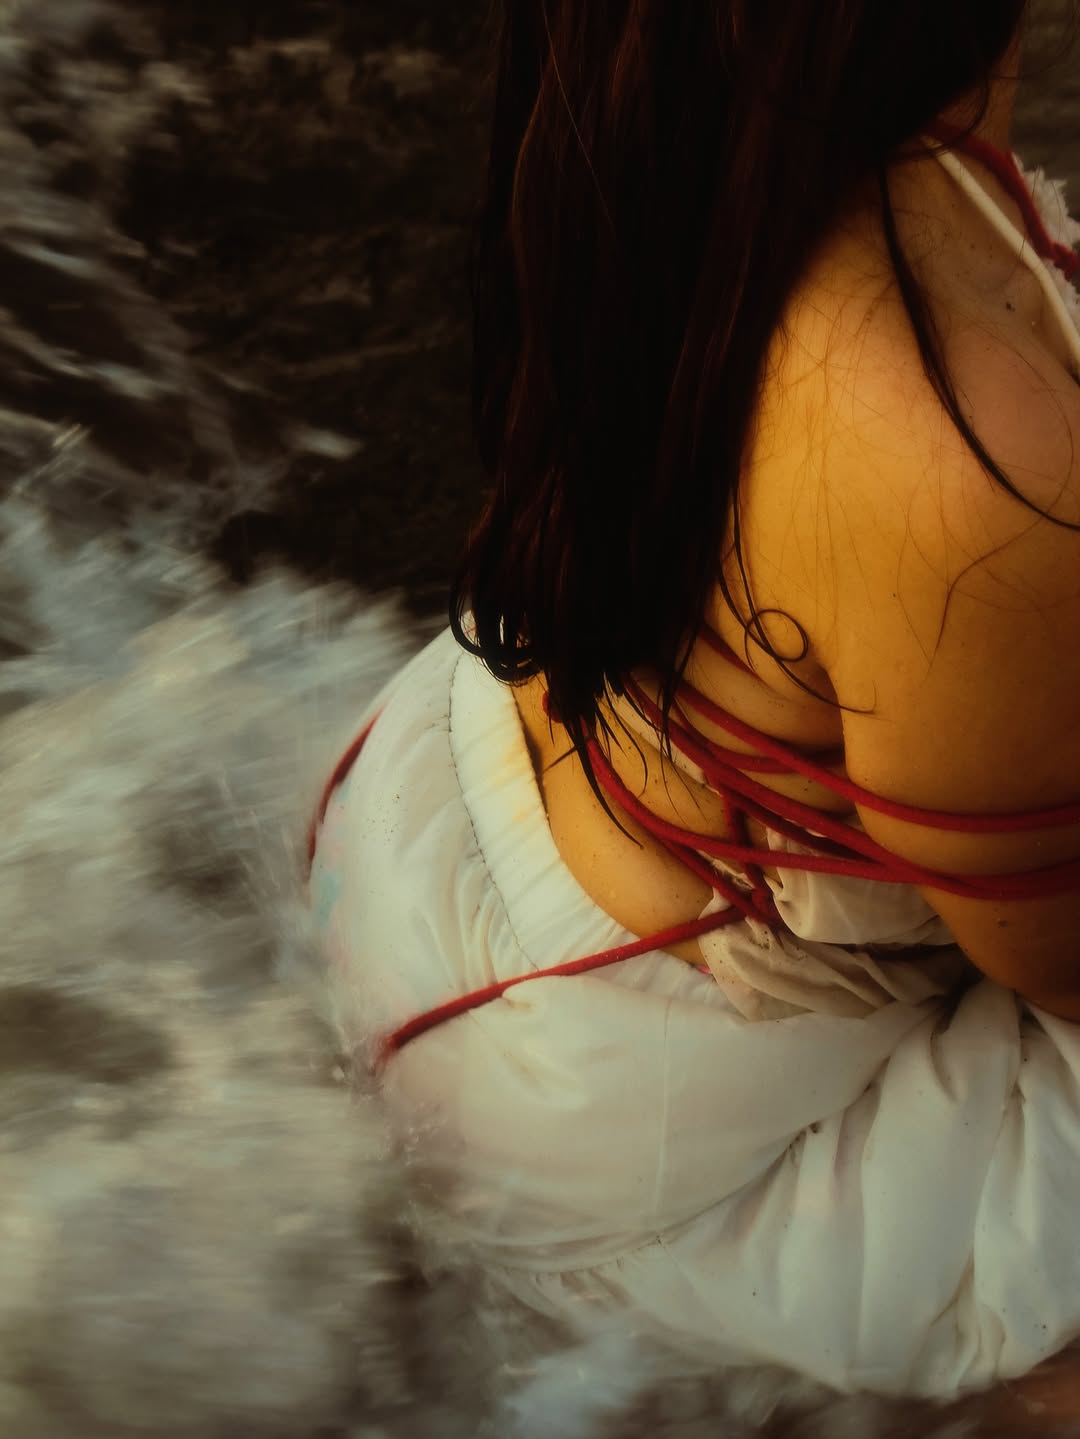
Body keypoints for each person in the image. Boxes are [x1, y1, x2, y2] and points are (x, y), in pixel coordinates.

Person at [309, 0, 1080, 1405]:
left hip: (437, 806)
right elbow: (1061, 958)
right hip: (652, 1146)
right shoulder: (972, 462)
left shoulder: (668, 93)